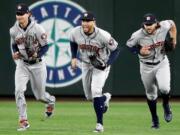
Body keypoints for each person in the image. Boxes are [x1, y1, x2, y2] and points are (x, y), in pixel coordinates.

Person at [69, 12, 120, 132]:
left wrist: (107, 64)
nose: (85, 23)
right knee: (89, 96)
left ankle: (99, 124)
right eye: (83, 21)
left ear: (94, 22)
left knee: (96, 91)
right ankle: (105, 98)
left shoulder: (103, 35)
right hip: (86, 64)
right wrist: (73, 57)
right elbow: (72, 42)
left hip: (100, 65)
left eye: (88, 21)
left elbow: (116, 50)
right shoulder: (75, 32)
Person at [9, 3, 56, 131]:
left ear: (28, 14)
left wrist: (37, 54)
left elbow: (46, 46)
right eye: (17, 14)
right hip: (22, 64)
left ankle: (50, 101)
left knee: (39, 96)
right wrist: (15, 52)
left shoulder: (38, 28)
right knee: (19, 90)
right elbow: (14, 44)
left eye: (22, 14)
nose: (19, 16)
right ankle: (23, 120)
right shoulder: (13, 30)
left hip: (37, 65)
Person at [126, 13, 177, 129]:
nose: (148, 27)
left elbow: (172, 24)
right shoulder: (137, 35)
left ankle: (166, 104)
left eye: (151, 24)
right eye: (146, 24)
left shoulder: (163, 26)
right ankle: (155, 120)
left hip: (161, 63)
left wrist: (173, 40)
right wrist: (138, 51)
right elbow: (129, 45)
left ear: (156, 23)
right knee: (151, 95)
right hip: (146, 66)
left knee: (164, 88)